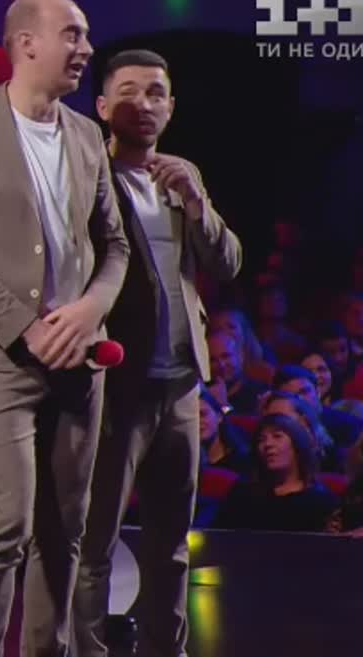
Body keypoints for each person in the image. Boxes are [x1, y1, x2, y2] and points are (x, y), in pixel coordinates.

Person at [0, 0, 129, 657]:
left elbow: (114, 245)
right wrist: (27, 328)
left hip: (82, 359)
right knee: (9, 523)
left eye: (86, 35)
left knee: (65, 526)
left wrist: (91, 309)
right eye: (73, 34)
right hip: (1, 358)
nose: (86, 49)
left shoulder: (87, 134)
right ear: (25, 43)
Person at [72, 48, 242, 657]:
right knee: (95, 541)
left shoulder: (180, 175)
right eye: (128, 92)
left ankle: (167, 650)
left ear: (170, 107)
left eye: (155, 93)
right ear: (101, 106)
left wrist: (198, 203)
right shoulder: (87, 175)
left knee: (171, 544)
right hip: (117, 387)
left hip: (180, 385)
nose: (142, 104)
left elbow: (227, 262)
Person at [212, 413, 337, 533]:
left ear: (297, 444)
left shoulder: (320, 501)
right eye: (261, 439)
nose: (268, 444)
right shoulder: (242, 495)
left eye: (277, 436)